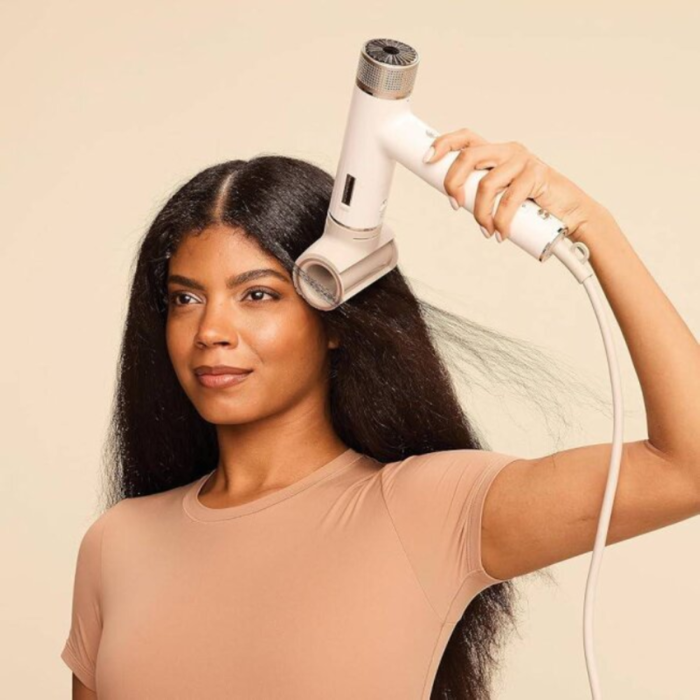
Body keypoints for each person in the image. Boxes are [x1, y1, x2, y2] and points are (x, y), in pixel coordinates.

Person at [60, 128, 700, 700]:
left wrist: (593, 226)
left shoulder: (425, 509)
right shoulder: (118, 544)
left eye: (257, 294)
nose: (211, 331)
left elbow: (687, 468)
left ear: (336, 316)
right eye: (185, 299)